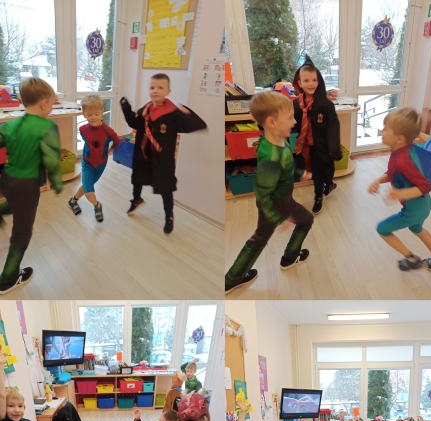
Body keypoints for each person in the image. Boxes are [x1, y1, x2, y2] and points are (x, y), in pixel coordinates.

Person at [225, 91, 314, 295]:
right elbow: (262, 193)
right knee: (305, 220)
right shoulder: (271, 156)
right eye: (290, 117)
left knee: (260, 237)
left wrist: (298, 173)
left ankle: (232, 279)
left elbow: (283, 168)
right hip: (278, 202)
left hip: (280, 200)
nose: (294, 121)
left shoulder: (276, 139)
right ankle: (289, 258)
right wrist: (278, 217)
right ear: (272, 122)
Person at [120, 73, 207, 234]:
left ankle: (169, 216)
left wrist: (187, 112)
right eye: (152, 87)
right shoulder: (145, 110)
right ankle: (136, 199)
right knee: (138, 178)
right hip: (143, 154)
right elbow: (135, 123)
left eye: (160, 88)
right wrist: (126, 108)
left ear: (168, 91)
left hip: (162, 159)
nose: (155, 91)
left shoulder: (173, 114)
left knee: (166, 187)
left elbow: (197, 125)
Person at [0, 78, 63, 294]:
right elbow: (52, 161)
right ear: (44, 103)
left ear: (21, 100)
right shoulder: (48, 127)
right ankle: (7, 279)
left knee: (13, 202)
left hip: (7, 180)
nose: (51, 107)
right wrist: (57, 184)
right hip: (27, 187)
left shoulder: (9, 125)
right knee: (22, 233)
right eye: (52, 103)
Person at [368, 108, 431, 272]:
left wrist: (400, 193)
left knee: (382, 229)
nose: (382, 131)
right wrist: (378, 180)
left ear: (399, 139)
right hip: (423, 205)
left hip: (415, 209)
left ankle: (412, 259)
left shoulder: (403, 160)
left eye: (386, 129)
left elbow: (425, 186)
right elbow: (392, 172)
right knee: (416, 229)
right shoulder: (402, 151)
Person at [292, 53, 342, 215]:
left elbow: (333, 125)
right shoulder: (296, 103)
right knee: (313, 171)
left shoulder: (325, 104)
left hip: (322, 145)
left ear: (319, 81)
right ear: (299, 83)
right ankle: (328, 186)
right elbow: (293, 122)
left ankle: (319, 196)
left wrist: (333, 147)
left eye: (314, 80)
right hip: (306, 146)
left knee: (321, 171)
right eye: (306, 80)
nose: (311, 83)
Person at [68, 95, 120, 222]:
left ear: (102, 111)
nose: (93, 117)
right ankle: (97, 205)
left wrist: (109, 152)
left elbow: (117, 142)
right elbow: (88, 143)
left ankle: (73, 200)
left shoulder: (108, 131)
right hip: (87, 163)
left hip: (101, 164)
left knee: (88, 186)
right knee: (89, 192)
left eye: (97, 114)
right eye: (89, 114)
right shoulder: (83, 129)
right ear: (84, 115)